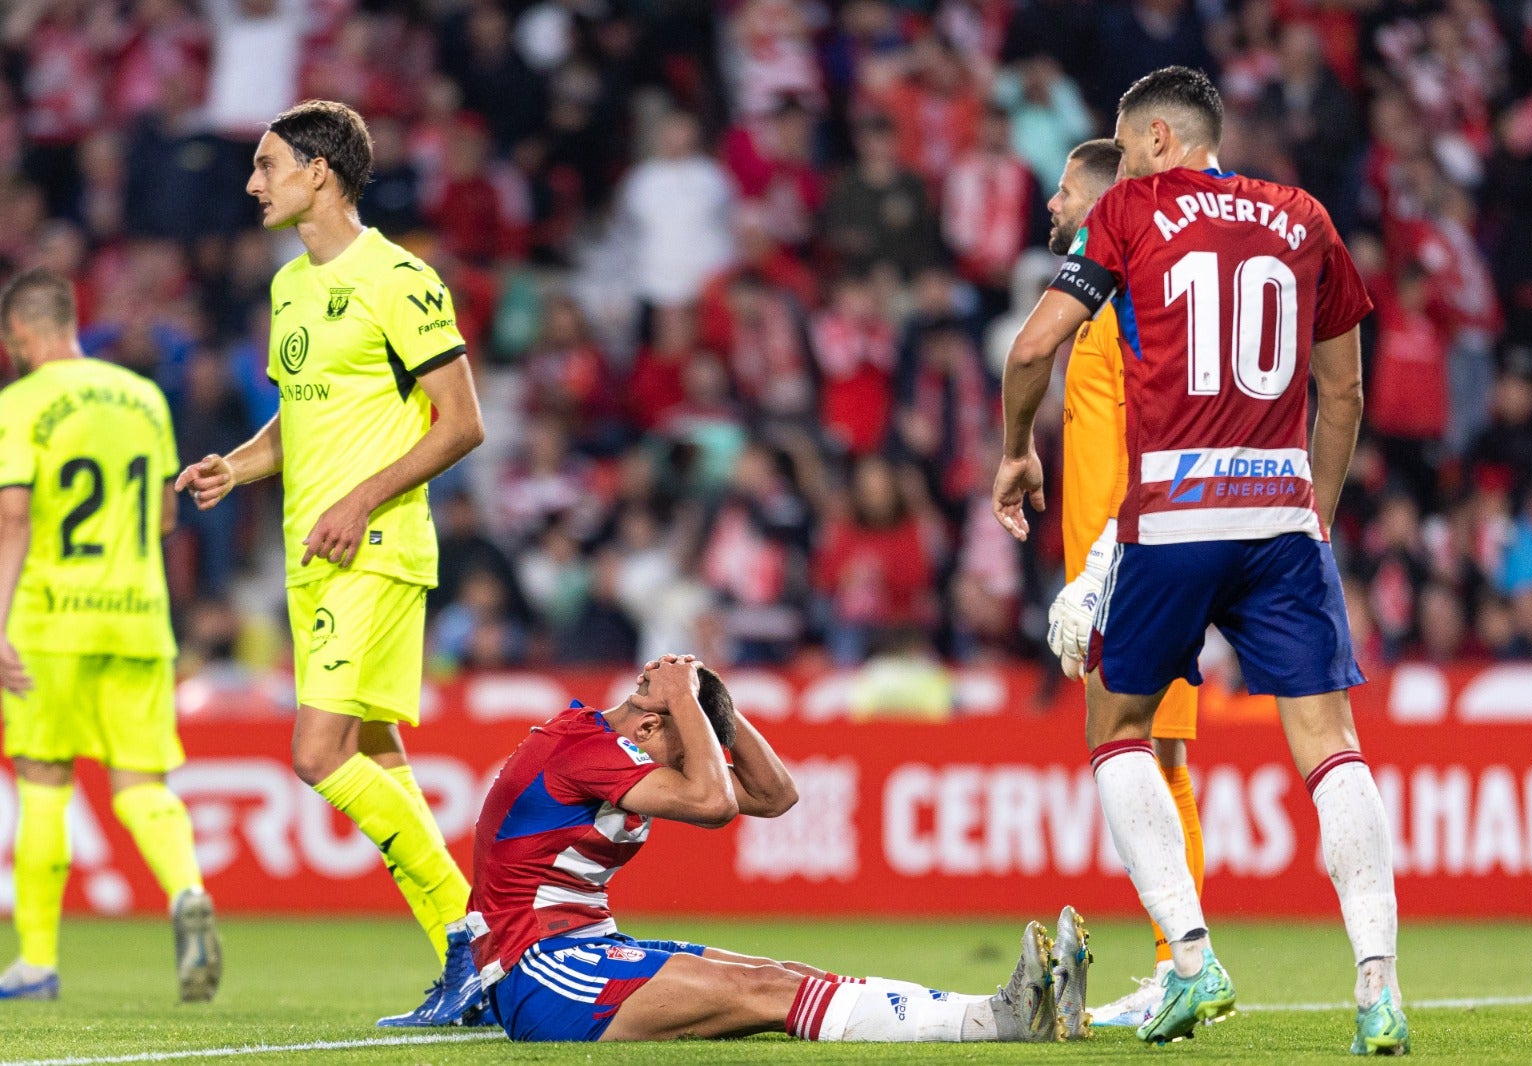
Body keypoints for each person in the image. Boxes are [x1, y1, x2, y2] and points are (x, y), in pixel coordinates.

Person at [992, 67, 1409, 1055]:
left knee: (1116, 727)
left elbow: (1029, 350)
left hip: (1173, 510)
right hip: (1278, 512)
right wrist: (1315, 513)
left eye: (1130, 147)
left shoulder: (1132, 208)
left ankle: (1188, 961)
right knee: (1328, 741)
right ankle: (1380, 989)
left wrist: (1014, 450)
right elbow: (1342, 395)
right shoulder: (1303, 215)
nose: (1122, 164)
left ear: (1163, 142)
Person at [174, 100, 486, 1027]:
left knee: (317, 756)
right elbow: (299, 422)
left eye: (268, 164)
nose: (252, 181)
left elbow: (463, 423)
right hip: (312, 556)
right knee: (378, 757)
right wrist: (239, 462)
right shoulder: (289, 288)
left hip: (378, 546)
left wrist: (359, 499)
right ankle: (467, 967)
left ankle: (482, 938)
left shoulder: (401, 277)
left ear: (321, 172)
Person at [468, 654, 1093, 1044]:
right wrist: (683, 697)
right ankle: (997, 1022)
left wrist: (717, 710)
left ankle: (995, 1012)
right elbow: (714, 803)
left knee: (785, 977)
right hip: (543, 973)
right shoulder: (586, 750)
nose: (693, 769)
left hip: (586, 948)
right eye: (687, 752)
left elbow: (775, 796)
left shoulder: (624, 748)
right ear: (653, 728)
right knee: (764, 995)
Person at [0, 269, 219, 1003]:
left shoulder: (20, 403)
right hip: (138, 618)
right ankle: (186, 889)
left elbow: (12, 518)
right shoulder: (144, 396)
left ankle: (34, 962)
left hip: (48, 621)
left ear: (20, 335)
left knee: (44, 780)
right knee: (140, 785)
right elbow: (164, 519)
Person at [1040, 138, 1208, 1029]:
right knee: (1151, 757)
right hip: (1128, 564)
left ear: (1105, 203)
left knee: (1155, 761)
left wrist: (1109, 562)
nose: (1052, 202)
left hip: (1140, 563)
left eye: (1067, 191)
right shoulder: (1106, 301)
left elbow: (1156, 440)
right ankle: (1179, 958)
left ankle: (1183, 961)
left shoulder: (1129, 307)